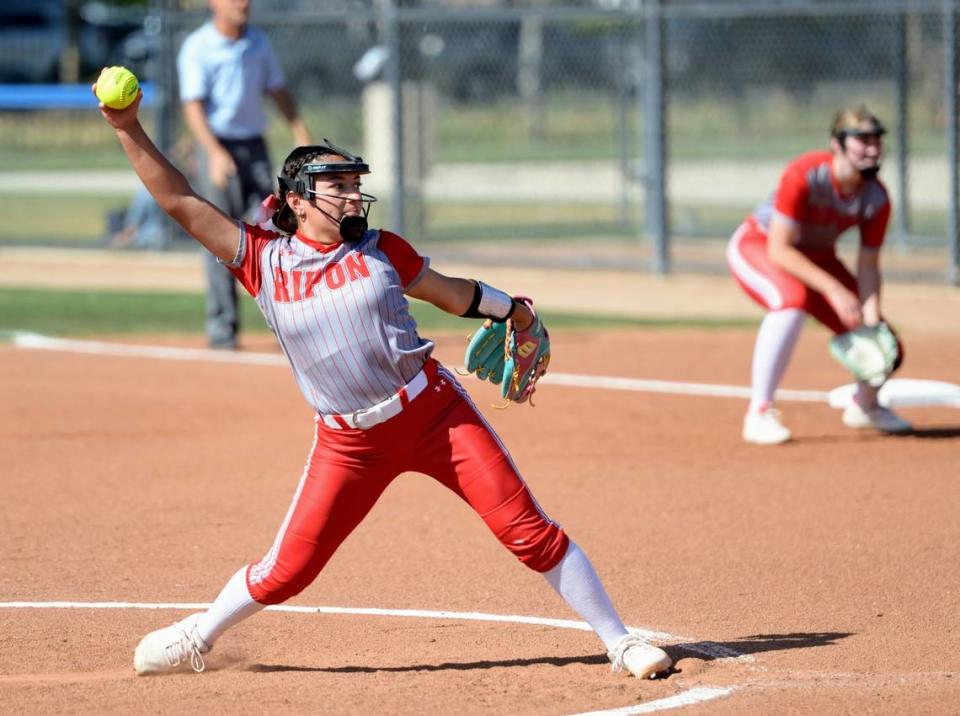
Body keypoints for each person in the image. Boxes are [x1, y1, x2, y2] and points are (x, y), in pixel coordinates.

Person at [95, 89, 673, 681]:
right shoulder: (261, 259)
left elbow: (452, 293)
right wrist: (127, 126)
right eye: (336, 185)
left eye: (354, 183)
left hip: (434, 417)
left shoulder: (382, 249)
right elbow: (177, 199)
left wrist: (515, 312)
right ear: (297, 199)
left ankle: (620, 641)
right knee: (287, 571)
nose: (352, 194)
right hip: (348, 445)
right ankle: (198, 634)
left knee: (524, 530)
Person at [726, 106, 912, 445]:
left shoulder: (876, 198)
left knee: (886, 343)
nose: (872, 148)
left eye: (877, 140)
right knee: (791, 301)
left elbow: (869, 266)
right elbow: (780, 250)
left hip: (818, 260)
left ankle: (865, 406)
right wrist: (835, 290)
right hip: (759, 245)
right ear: (837, 144)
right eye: (862, 140)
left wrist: (870, 324)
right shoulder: (806, 174)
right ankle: (759, 412)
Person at [178, 0, 313, 349]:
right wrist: (214, 153)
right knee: (219, 237)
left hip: (254, 146)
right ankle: (223, 330)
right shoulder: (199, 46)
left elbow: (278, 91)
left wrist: (299, 131)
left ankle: (295, 324)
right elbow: (193, 107)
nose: (243, 3)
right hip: (218, 146)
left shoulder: (257, 43)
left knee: (276, 230)